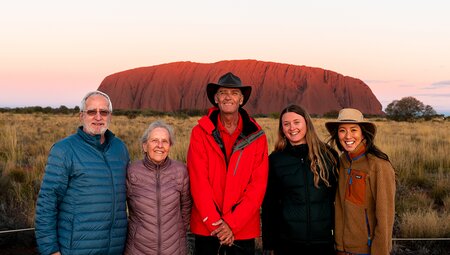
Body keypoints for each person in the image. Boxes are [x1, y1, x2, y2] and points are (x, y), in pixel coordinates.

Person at [35, 91, 130, 255]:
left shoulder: (119, 148)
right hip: (75, 249)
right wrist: (50, 250)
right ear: (81, 116)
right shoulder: (64, 150)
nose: (98, 117)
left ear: (110, 116)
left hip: (114, 248)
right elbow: (47, 202)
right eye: (92, 111)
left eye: (104, 112)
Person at [187, 72, 269, 255]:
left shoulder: (256, 136)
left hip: (242, 229)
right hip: (207, 227)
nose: (228, 97)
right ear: (216, 98)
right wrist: (217, 225)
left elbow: (258, 186)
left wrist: (232, 224)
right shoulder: (200, 133)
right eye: (223, 93)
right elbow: (198, 181)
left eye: (234, 93)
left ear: (241, 99)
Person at [261, 104, 339, 255]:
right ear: (282, 129)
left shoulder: (328, 155)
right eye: (286, 124)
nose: (292, 128)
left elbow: (339, 199)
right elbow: (270, 205)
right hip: (288, 243)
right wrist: (269, 244)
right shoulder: (276, 160)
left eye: (297, 122)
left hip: (323, 242)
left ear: (306, 124)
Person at [325, 108, 396, 255]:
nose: (348, 136)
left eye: (353, 130)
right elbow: (339, 206)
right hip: (342, 249)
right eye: (342, 130)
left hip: (367, 250)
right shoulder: (343, 161)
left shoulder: (378, 165)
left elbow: (385, 216)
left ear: (363, 133)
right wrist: (339, 246)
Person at [125, 120, 192, 255]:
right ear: (145, 146)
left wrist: (178, 233)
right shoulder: (132, 171)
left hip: (174, 249)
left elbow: (186, 207)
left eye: (165, 141)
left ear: (170, 145)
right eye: (154, 140)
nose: (160, 146)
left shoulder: (181, 171)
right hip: (138, 249)